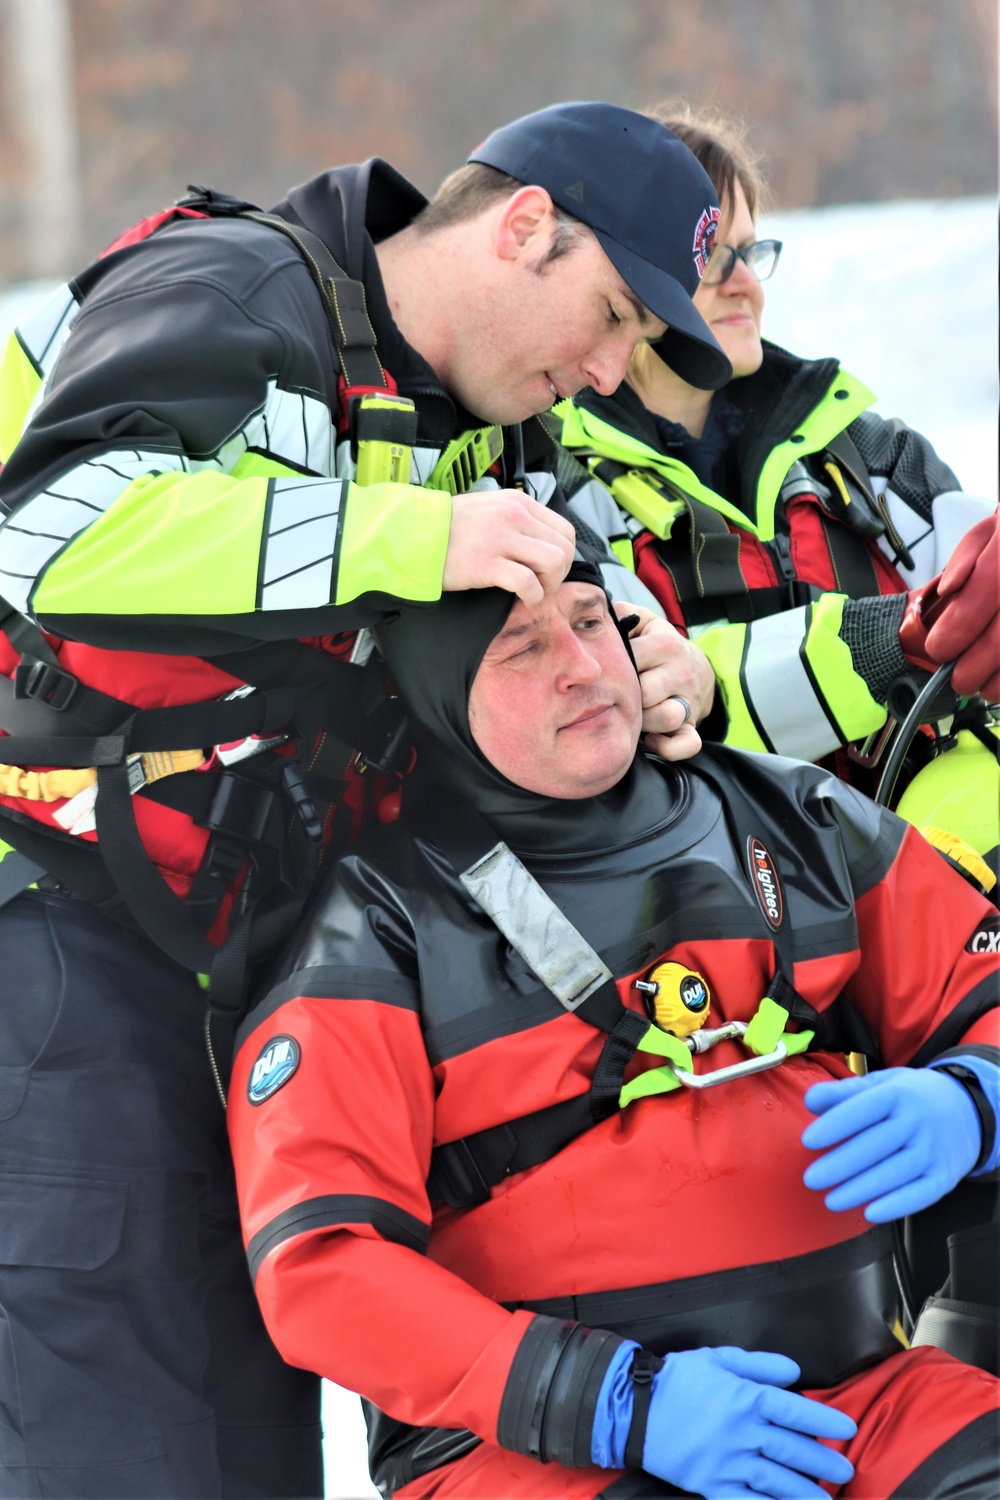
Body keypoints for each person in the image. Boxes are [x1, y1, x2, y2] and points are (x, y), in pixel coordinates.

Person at [0, 104, 729, 1498]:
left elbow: (578, 557)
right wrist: (410, 537)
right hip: (62, 938)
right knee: (115, 1420)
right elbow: (45, 532)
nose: (604, 367)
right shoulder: (229, 287)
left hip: (254, 956)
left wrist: (649, 657)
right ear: (524, 227)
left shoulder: (486, 417)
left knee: (249, 1415)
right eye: (612, 315)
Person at [229, 553, 1000, 1499]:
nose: (584, 668)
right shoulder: (380, 921)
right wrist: (615, 1404)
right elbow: (321, 1264)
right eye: (521, 647)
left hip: (863, 1402)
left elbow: (983, 988)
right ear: (433, 695)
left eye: (595, 623)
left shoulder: (796, 818)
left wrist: (975, 1098)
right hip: (536, 1455)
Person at [554, 101, 999, 783]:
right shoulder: (560, 483)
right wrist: (895, 637)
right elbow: (652, 692)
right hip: (729, 871)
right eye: (712, 256)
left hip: (938, 858)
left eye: (753, 251)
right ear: (628, 276)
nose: (746, 283)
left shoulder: (871, 454)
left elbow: (981, 598)